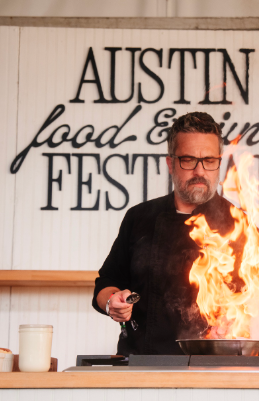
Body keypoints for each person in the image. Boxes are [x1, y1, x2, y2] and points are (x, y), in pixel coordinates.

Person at [92, 112, 246, 355]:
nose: (199, 170)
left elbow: (258, 303)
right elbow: (106, 283)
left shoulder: (240, 225)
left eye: (208, 160)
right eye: (188, 159)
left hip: (217, 369)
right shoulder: (139, 218)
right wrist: (113, 300)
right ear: (171, 164)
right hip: (144, 366)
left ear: (219, 162)